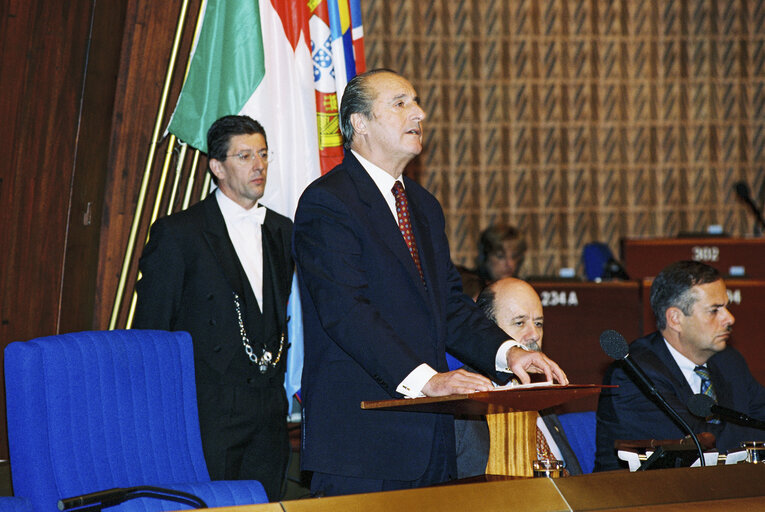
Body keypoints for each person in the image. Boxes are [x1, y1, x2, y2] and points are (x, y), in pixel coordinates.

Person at [292, 68, 568, 496]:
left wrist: (507, 351)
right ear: (359, 124)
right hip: (364, 442)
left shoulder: (422, 205)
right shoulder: (327, 202)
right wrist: (428, 380)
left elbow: (451, 306)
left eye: (416, 102)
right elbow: (348, 312)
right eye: (400, 103)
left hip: (434, 439)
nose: (418, 112)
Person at [133, 115, 293, 500]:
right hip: (208, 412)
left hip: (270, 410)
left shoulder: (283, 231)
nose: (259, 166)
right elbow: (152, 335)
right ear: (217, 167)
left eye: (264, 154)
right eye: (244, 156)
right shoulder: (178, 233)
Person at [594, 261, 765, 471]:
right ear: (675, 319)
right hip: (639, 496)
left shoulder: (728, 361)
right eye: (714, 310)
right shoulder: (632, 373)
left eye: (727, 307)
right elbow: (698, 442)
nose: (729, 318)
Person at [453, 278, 583, 478]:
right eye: (520, 323)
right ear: (486, 331)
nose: (534, 335)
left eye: (538, 323)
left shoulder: (539, 391)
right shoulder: (464, 398)